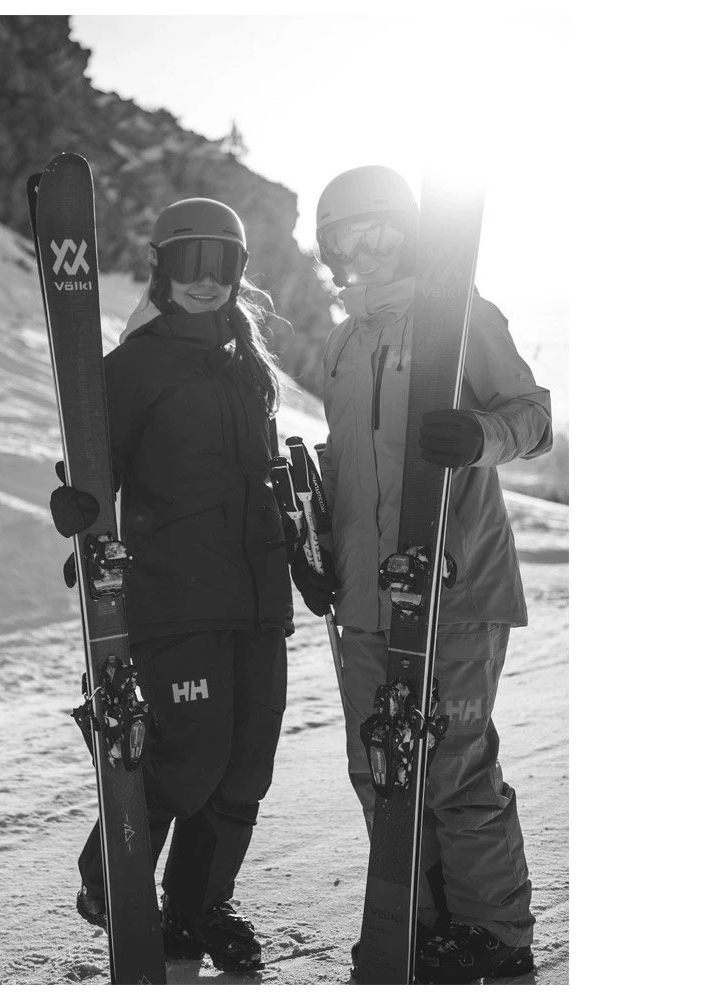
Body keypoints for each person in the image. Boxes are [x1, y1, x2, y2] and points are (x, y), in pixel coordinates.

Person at [291, 165, 553, 984]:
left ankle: (496, 935)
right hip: (367, 599)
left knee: (452, 768)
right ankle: (422, 924)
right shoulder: (343, 343)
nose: (366, 247)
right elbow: (350, 462)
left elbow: (533, 415)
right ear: (331, 249)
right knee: (381, 767)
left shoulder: (459, 311)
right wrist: (318, 552)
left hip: (458, 585)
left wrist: (479, 436)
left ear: (407, 232)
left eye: (381, 229)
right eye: (348, 236)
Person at [49, 197, 293, 975]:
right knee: (188, 756)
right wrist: (81, 513)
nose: (205, 278)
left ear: (239, 271)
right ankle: (112, 882)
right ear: (160, 269)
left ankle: (198, 907)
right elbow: (92, 467)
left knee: (245, 767)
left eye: (222, 263)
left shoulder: (247, 365)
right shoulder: (131, 367)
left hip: (258, 601)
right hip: (173, 596)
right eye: (189, 261)